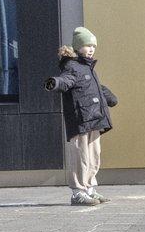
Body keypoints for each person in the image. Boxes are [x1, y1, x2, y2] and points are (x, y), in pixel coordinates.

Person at [46, 25, 116, 206]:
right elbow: (66, 81)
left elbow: (95, 89)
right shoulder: (72, 67)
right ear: (78, 47)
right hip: (80, 120)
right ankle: (78, 192)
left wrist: (109, 97)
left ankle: (90, 188)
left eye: (93, 46)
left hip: (94, 119)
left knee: (94, 156)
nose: (91, 49)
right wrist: (55, 83)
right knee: (81, 156)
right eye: (87, 45)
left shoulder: (89, 68)